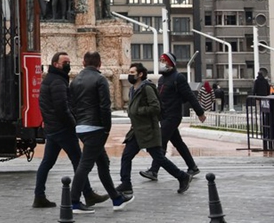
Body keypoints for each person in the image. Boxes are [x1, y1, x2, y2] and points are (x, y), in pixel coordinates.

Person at [32, 52, 109, 208]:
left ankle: (39, 196)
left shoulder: (51, 80)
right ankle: (84, 196)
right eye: (64, 62)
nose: (68, 64)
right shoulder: (58, 82)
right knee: (79, 161)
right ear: (56, 64)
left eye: (69, 61)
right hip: (62, 129)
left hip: (53, 128)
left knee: (47, 162)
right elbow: (62, 108)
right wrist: (74, 124)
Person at [69, 51, 134, 214]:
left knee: (102, 162)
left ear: (83, 63)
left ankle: (116, 198)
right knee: (85, 165)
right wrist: (106, 128)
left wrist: (78, 123)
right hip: (95, 128)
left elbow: (71, 106)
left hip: (81, 127)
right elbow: (105, 107)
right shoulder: (100, 79)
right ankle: (74, 202)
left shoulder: (75, 81)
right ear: (99, 64)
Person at [117, 63, 193, 196]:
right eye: (129, 72)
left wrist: (138, 110)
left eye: (132, 73)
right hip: (136, 130)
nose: (130, 75)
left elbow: (155, 107)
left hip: (148, 130)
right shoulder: (132, 89)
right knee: (126, 156)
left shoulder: (147, 88)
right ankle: (126, 184)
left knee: (159, 158)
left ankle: (182, 176)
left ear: (140, 74)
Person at [140, 52, 206, 183]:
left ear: (171, 63)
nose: (161, 63)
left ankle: (154, 170)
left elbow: (189, 96)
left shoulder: (178, 78)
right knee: (178, 143)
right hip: (164, 116)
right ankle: (192, 167)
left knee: (160, 141)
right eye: (161, 61)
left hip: (173, 116)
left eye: (164, 61)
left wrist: (200, 112)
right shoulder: (161, 79)